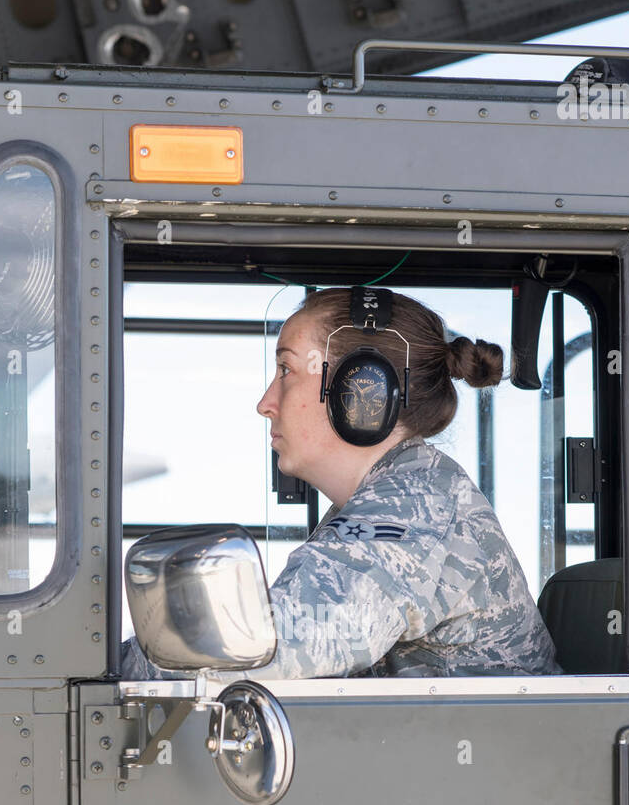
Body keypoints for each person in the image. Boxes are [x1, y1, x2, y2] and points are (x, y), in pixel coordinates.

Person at [121, 286, 561, 681]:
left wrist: (97, 667)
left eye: (287, 371)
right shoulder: (385, 498)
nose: (266, 403)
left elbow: (266, 645)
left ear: (361, 389)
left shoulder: (415, 505)